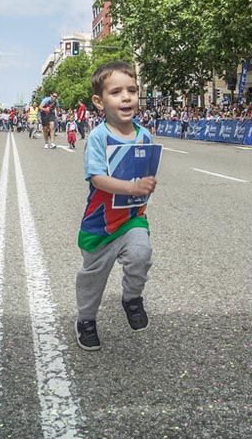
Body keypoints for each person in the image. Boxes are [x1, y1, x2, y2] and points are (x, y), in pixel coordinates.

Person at [75, 61, 156, 351]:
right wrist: (132, 187)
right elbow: (97, 179)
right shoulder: (98, 137)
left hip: (132, 218)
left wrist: (146, 185)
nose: (126, 97)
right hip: (100, 224)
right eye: (116, 92)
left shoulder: (144, 135)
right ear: (99, 101)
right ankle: (86, 319)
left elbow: (145, 171)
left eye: (132, 90)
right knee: (93, 278)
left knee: (141, 254)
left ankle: (132, 298)